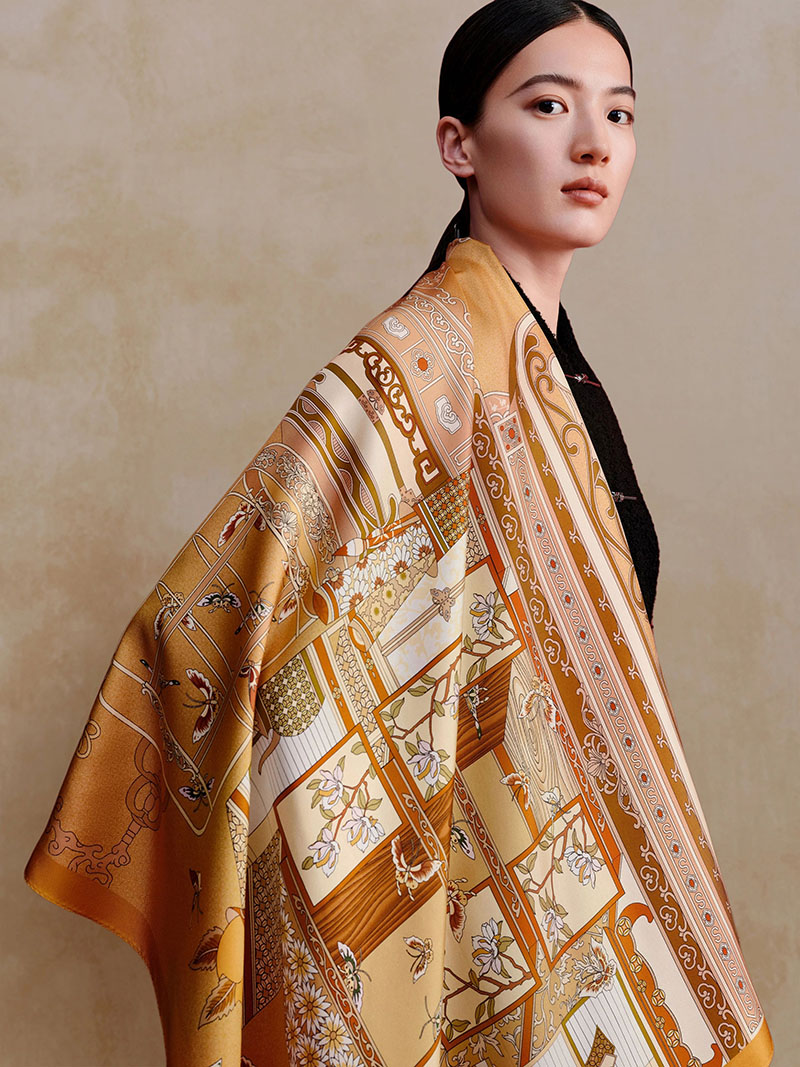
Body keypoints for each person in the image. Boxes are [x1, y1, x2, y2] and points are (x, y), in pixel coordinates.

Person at [24, 3, 774, 1066]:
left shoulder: (553, 367)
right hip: (472, 862)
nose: (593, 143)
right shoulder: (416, 362)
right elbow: (194, 621)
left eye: (618, 113)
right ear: (457, 145)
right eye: (548, 106)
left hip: (558, 863)